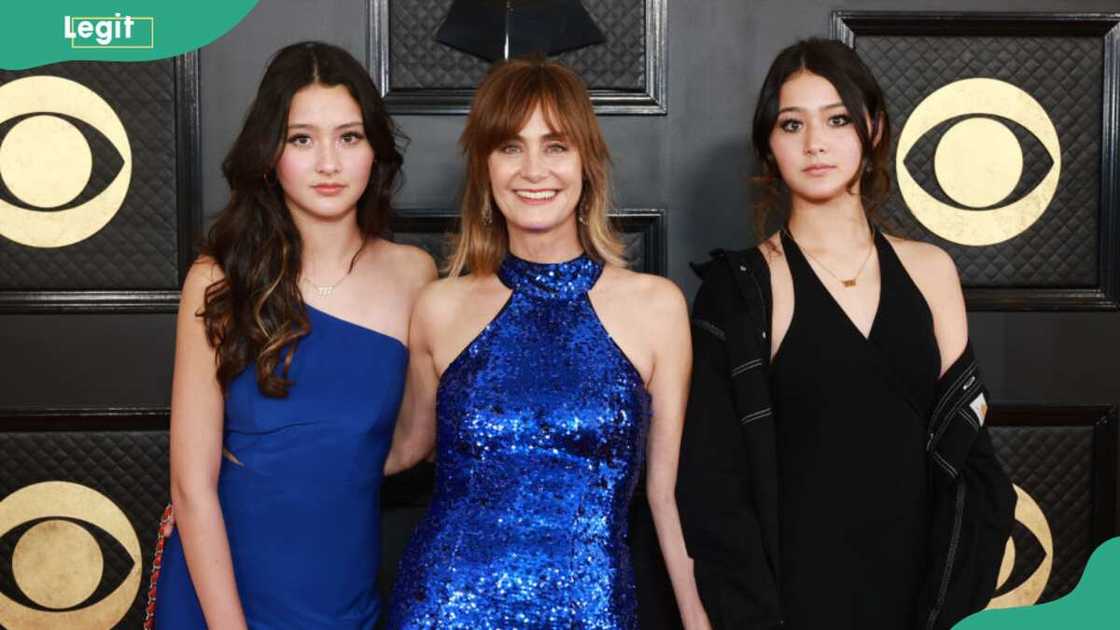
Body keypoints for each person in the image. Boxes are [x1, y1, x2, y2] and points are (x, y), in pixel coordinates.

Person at [676, 38, 1016, 630]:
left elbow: (969, 462)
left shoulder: (931, 271)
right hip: (790, 601)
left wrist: (944, 612)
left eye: (836, 119)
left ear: (873, 129)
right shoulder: (739, 292)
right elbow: (714, 491)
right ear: (768, 146)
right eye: (791, 124)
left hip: (920, 596)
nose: (815, 143)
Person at [384, 57, 710, 629]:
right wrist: (264, 463)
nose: (533, 169)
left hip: (590, 611)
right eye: (510, 147)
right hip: (445, 606)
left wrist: (696, 618)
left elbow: (665, 496)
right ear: (485, 168)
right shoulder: (440, 306)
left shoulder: (657, 307)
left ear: (587, 164)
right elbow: (403, 449)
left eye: (556, 146)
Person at [147, 41, 435, 629]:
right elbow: (190, 485)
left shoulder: (414, 275)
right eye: (302, 139)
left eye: (349, 137)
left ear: (374, 150)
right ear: (270, 153)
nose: (328, 162)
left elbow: (413, 440)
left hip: (341, 581)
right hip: (220, 584)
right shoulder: (216, 280)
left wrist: (325, 471)